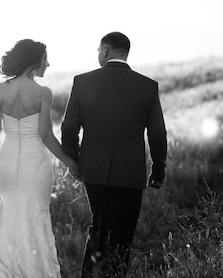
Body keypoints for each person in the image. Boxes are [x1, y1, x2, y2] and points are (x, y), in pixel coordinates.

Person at [0, 39, 79, 278]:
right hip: (35, 165)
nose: (48, 64)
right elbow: (45, 135)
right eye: (45, 59)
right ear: (34, 62)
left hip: (8, 163)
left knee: (11, 211)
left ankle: (5, 270)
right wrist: (71, 163)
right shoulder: (43, 93)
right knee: (33, 215)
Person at [61, 32, 168, 276]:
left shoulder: (83, 81)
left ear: (106, 50)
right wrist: (158, 168)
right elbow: (158, 133)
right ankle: (116, 273)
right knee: (123, 235)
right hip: (130, 171)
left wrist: (74, 160)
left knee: (99, 226)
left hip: (94, 169)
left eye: (99, 50)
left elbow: (69, 127)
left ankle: (89, 275)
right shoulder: (147, 86)